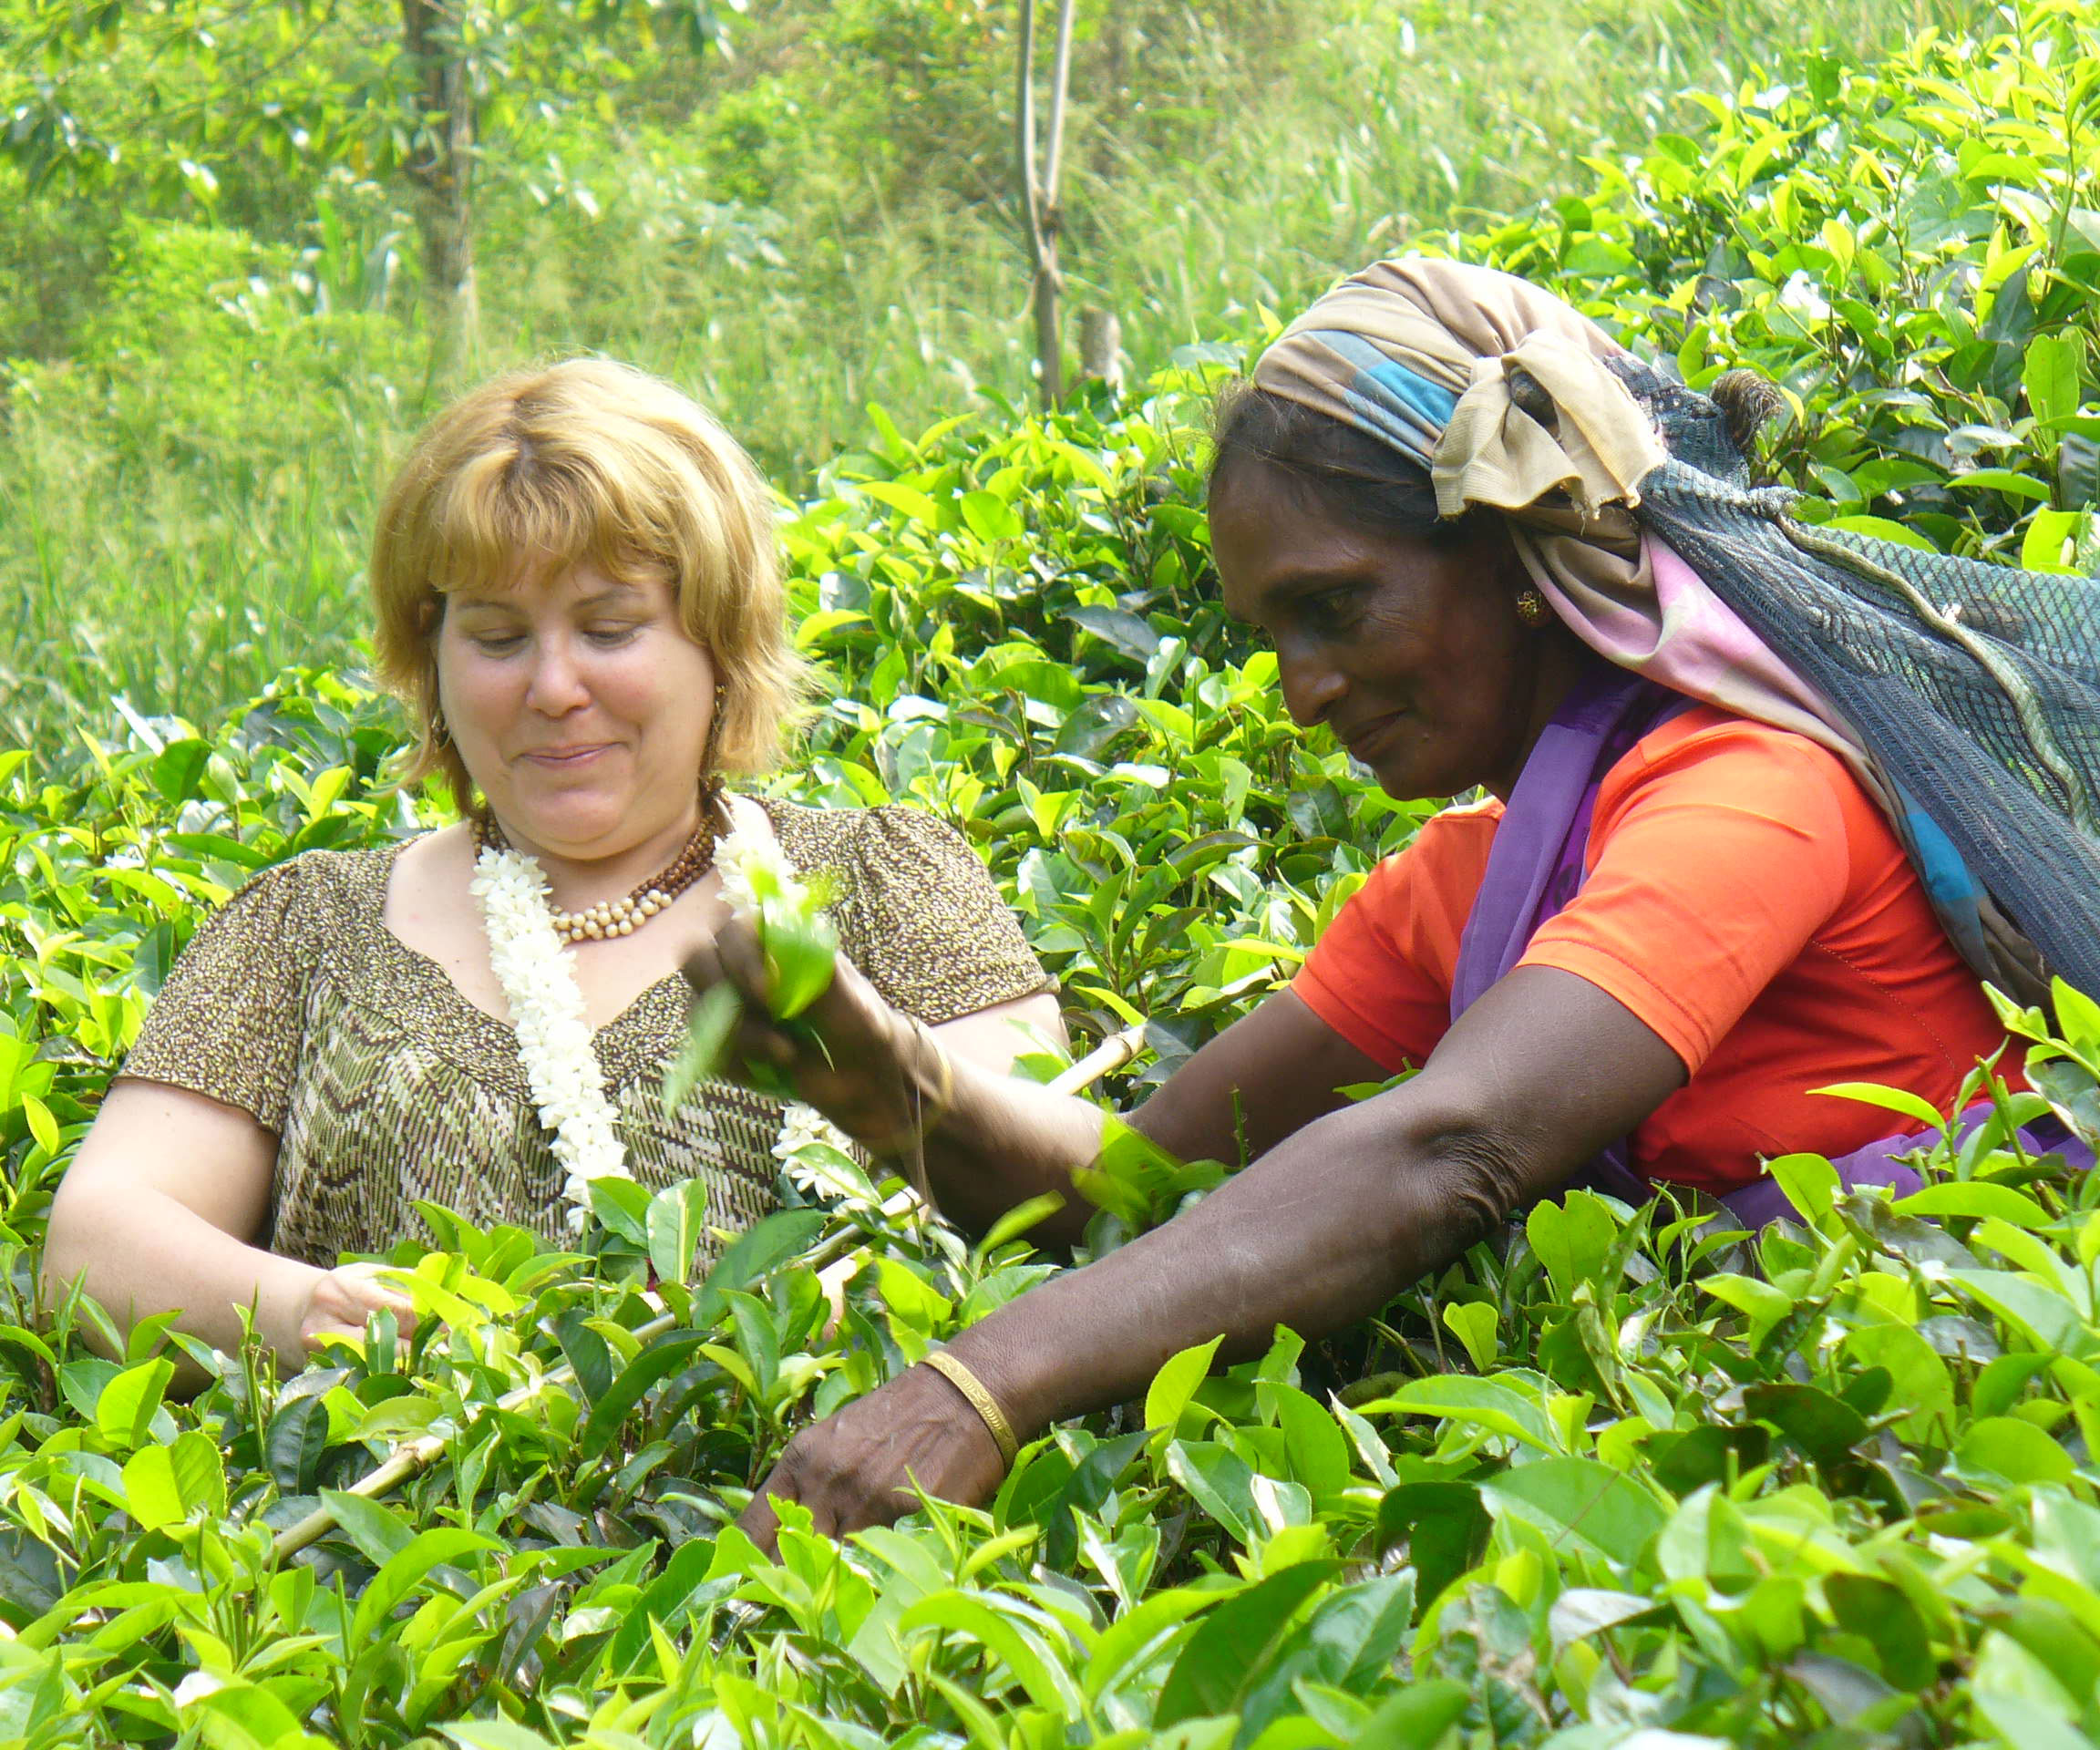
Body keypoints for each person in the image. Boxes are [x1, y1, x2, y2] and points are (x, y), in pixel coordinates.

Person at [684, 258, 2100, 1548]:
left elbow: (1454, 1143)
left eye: (1337, 610)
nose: (1300, 694)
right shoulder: (1479, 880)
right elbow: (1149, 1189)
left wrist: (978, 1385)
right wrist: (886, 1079)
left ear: (1512, 558)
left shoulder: (1753, 792)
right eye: (1273, 636)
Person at [43, 358, 1061, 1371]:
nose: (555, 686)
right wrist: (317, 1317)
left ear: (718, 640)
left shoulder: (888, 883)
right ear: (431, 662)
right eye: (496, 638)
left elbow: (1057, 1192)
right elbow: (93, 1247)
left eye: (610, 629)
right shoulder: (305, 928)